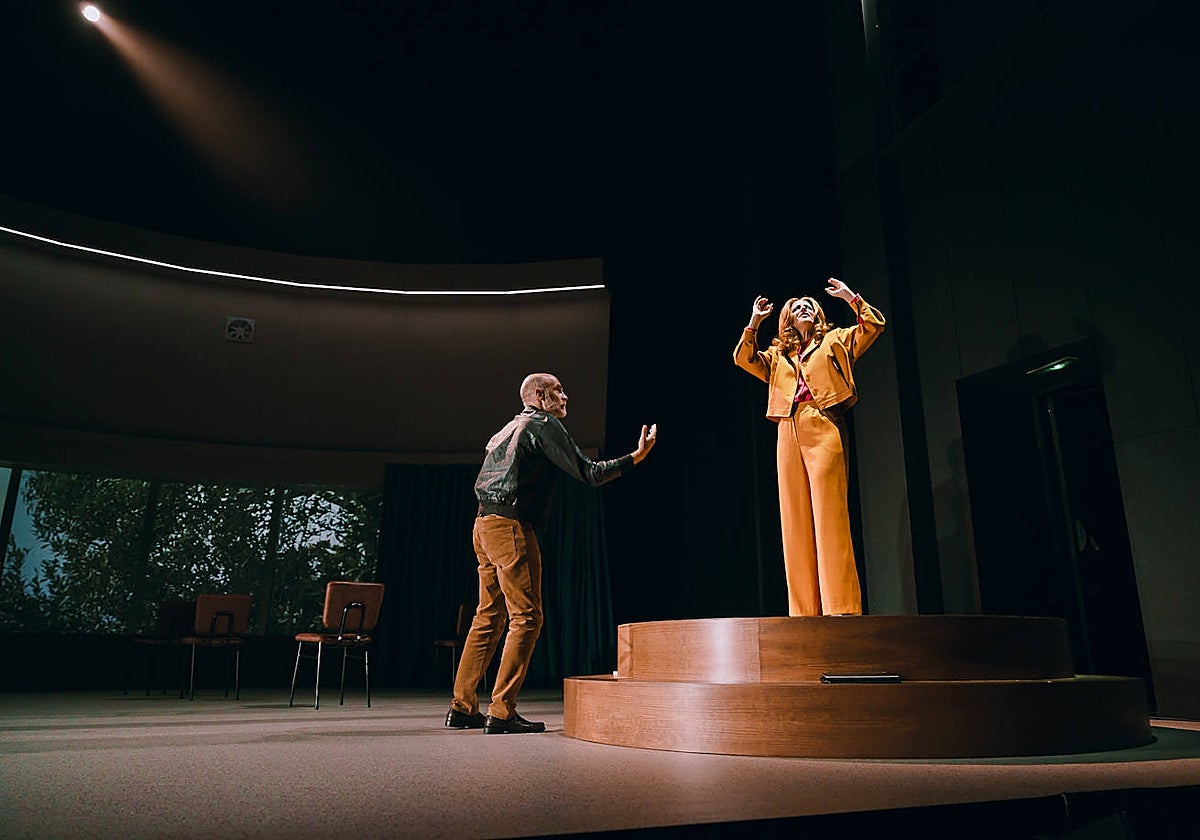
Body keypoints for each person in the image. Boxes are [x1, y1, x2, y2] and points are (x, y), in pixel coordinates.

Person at [444, 372, 658, 734]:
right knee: (526, 618)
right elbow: (589, 473)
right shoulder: (542, 424)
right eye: (559, 391)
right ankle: (501, 711)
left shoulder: (506, 429)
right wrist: (636, 457)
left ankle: (462, 707)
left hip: (482, 527)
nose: (566, 397)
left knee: (487, 616)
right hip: (510, 528)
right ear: (540, 396)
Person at [733, 277, 885, 617]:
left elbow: (874, 325)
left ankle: (841, 607)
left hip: (823, 422)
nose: (802, 307)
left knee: (830, 516)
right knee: (794, 519)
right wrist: (754, 322)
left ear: (818, 316)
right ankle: (804, 612)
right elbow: (743, 359)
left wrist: (851, 298)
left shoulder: (835, 340)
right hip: (787, 428)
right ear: (785, 319)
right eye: (795, 307)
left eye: (809, 306)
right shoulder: (777, 357)